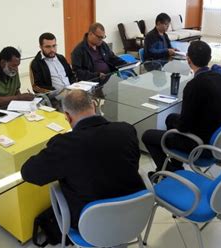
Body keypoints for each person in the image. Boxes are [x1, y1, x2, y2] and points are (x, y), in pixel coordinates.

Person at [21, 90, 145, 229]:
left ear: (67, 116)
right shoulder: (126, 130)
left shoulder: (64, 145)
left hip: (91, 224)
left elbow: (28, 173)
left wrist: (49, 150)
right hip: (134, 215)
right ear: (94, 105)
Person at [142, 41, 221, 173]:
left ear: (188, 59)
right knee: (171, 118)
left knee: (148, 136)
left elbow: (184, 127)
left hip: (200, 146)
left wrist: (178, 123)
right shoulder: (219, 77)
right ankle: (176, 165)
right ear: (209, 58)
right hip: (219, 138)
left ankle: (167, 172)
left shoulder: (194, 85)